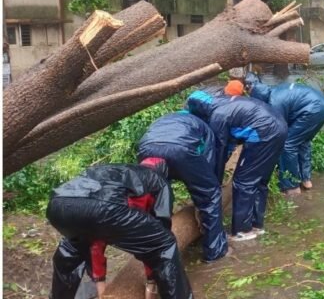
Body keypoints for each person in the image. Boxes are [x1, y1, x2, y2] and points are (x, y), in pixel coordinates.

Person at [46, 160, 192, 299]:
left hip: (57, 204)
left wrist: (100, 283)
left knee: (70, 252)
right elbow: (158, 236)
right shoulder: (159, 182)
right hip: (104, 206)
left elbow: (94, 242)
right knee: (165, 245)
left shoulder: (116, 170)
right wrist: (151, 281)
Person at [186, 90, 287, 241]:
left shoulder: (217, 116)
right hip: (280, 126)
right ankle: (256, 225)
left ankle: (242, 230)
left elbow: (219, 151)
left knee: (243, 181)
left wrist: (214, 183)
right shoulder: (224, 102)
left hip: (263, 133)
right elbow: (230, 141)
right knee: (260, 180)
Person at [137, 112, 228, 263]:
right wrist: (207, 193)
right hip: (180, 149)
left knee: (156, 193)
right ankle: (216, 251)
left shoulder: (166, 118)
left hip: (146, 148)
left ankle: (154, 238)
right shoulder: (204, 127)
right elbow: (208, 164)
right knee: (210, 194)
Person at [250, 77, 324, 195]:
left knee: (287, 144)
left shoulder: (274, 104)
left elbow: (278, 132)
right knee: (303, 141)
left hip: (312, 110)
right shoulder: (275, 90)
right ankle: (306, 179)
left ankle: (291, 186)